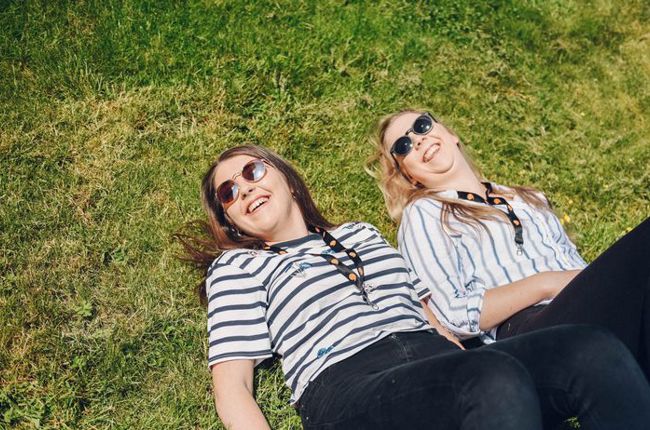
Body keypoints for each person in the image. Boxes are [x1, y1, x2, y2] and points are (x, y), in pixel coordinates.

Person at [176, 144, 650, 430]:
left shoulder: (361, 233)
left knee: (589, 348)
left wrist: (468, 355)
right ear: (230, 219)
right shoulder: (238, 268)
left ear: (285, 179)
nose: (244, 189)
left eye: (253, 172)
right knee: (491, 380)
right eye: (228, 193)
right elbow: (233, 387)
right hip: (347, 385)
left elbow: (429, 317)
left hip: (436, 363)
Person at [368, 108, 650, 372]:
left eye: (422, 125)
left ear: (451, 135)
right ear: (409, 175)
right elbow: (455, 315)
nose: (417, 140)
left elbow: (575, 266)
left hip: (588, 304)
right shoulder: (425, 214)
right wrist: (546, 283)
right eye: (402, 146)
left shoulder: (528, 198)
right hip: (527, 331)